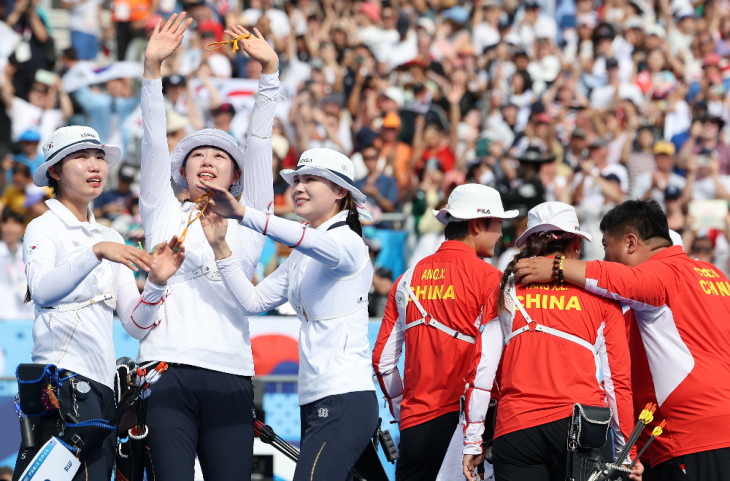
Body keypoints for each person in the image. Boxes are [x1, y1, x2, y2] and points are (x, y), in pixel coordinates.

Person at [138, 15, 282, 481]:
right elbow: (153, 142)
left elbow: (259, 145)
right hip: (165, 366)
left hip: (230, 371)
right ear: (183, 170)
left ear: (236, 177)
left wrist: (270, 76)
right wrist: (152, 71)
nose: (207, 160)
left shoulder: (250, 215)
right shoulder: (162, 209)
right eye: (197, 154)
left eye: (220, 155)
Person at [193, 147, 379, 481]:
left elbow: (306, 239)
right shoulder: (301, 254)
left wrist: (242, 213)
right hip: (315, 398)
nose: (298, 187)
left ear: (340, 192)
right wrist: (221, 247)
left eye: (311, 179)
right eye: (297, 180)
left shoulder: (349, 242)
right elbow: (252, 301)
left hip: (344, 396)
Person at [513, 199, 730, 480]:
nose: (604, 258)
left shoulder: (662, 273)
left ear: (630, 243)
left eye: (606, 247)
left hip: (689, 434)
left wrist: (558, 267)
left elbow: (623, 280)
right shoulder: (714, 275)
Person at [14, 125, 185, 481]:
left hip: (104, 389)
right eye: (81, 157)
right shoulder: (43, 227)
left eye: (99, 157)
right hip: (61, 381)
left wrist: (155, 282)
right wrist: (95, 252)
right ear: (56, 172)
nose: (95, 165)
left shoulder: (110, 236)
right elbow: (43, 290)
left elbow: (135, 324)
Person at [461, 201, 640, 481]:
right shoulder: (603, 298)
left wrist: (473, 440)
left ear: (530, 246)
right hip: (584, 429)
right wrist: (626, 452)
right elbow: (617, 384)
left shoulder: (507, 289)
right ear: (576, 246)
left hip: (517, 430)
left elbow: (482, 371)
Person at [373, 183, 517, 481]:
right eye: (498, 224)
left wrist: (404, 413)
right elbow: (500, 360)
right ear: (478, 224)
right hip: (467, 427)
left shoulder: (406, 278)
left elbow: (383, 361)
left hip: (414, 424)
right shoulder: (492, 279)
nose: (501, 234)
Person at [0, 207, 33, 319]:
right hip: (2, 313)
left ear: (21, 227)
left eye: (15, 223)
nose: (10, 229)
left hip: (25, 315)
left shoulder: (29, 253)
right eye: (6, 223)